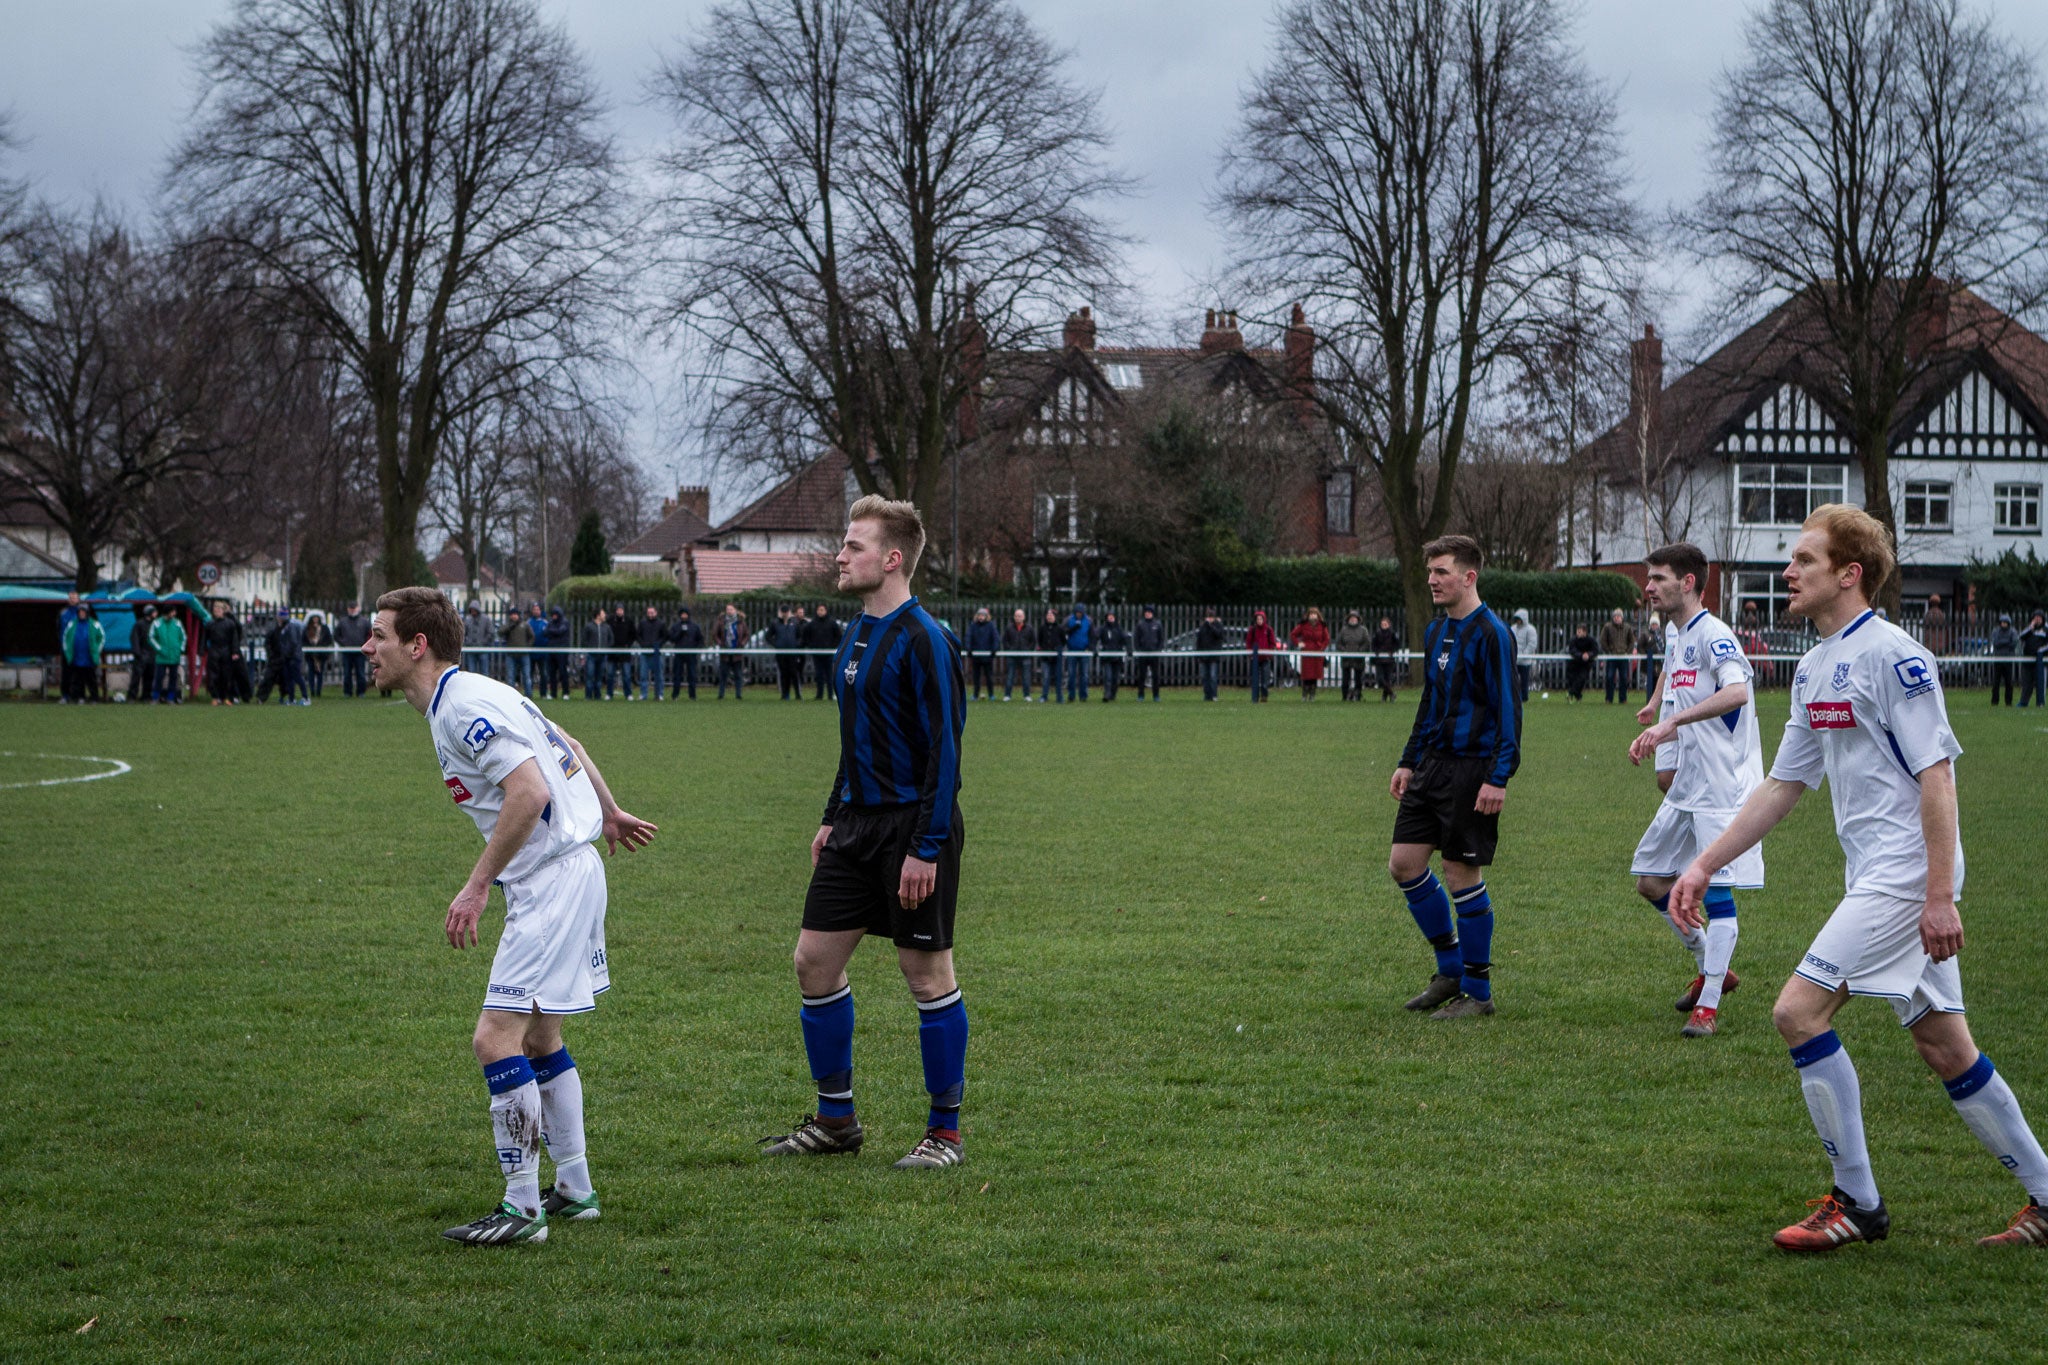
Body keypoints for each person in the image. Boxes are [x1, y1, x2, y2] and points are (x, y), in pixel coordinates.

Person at [1669, 504, 2048, 1252]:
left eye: (1803, 559)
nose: (1787, 571)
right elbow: (1782, 784)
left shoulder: (1896, 655)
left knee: (1797, 1011)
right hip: (1878, 875)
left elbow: (1937, 777)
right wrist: (1706, 861)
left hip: (1906, 877)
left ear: (1849, 573)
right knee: (1946, 1047)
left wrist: (1937, 895)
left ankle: (1858, 1203)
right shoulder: (1813, 667)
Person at [362, 586, 656, 1245]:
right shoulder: (476, 693)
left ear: (417, 645)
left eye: (377, 635)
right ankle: (575, 1189)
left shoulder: (461, 708)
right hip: (571, 870)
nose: (366, 647)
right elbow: (567, 741)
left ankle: (523, 1208)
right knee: (540, 1039)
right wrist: (606, 810)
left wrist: (476, 884)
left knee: (494, 1039)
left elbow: (530, 788)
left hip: (550, 880)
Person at [760, 495, 970, 1171]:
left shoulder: (926, 639)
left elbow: (946, 752)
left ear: (892, 558)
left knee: (925, 972)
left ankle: (945, 1134)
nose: (840, 556)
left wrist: (925, 847)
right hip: (855, 823)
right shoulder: (853, 634)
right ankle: (836, 1119)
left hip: (913, 826)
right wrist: (830, 814)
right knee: (813, 960)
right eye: (843, 545)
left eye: (853, 546)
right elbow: (853, 743)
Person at [1623, 543, 1764, 1038]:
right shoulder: (1675, 630)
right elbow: (1671, 663)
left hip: (1722, 788)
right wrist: (1656, 701)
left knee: (1717, 895)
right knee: (1651, 881)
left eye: (1658, 578)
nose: (1649, 586)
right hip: (1689, 782)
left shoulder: (1717, 636)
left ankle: (1707, 1008)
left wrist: (1674, 721)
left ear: (1687, 583)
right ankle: (1714, 967)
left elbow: (1738, 691)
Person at [1387, 534, 1520, 1020]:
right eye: (1429, 572)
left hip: (1473, 769)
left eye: (1440, 572)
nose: (1431, 580)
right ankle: (1449, 970)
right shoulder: (1435, 631)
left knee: (1460, 872)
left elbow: (1509, 711)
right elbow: (1429, 704)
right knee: (1404, 863)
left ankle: (1478, 992)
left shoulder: (1492, 633)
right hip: (1431, 766)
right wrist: (1408, 760)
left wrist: (1498, 777)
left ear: (1469, 576)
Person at [258, 609, 306, 705]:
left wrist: (288, 654)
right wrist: (270, 653)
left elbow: (293, 642)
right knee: (268, 678)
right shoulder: (273, 629)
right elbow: (267, 643)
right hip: (275, 658)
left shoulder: (289, 627)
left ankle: (286, 697)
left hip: (286, 657)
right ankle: (261, 697)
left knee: (286, 679)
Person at [203, 601, 246, 705]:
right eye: (215, 610)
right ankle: (215, 697)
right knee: (214, 676)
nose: (216, 611)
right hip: (214, 651)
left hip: (226, 651)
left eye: (219, 609)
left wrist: (235, 652)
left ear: (223, 611)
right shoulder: (210, 624)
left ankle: (226, 697)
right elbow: (204, 638)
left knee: (226, 676)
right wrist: (202, 650)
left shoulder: (230, 624)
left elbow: (234, 639)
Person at [61, 602, 104, 703]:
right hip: (76, 657)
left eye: (83, 612)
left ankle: (94, 698)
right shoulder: (72, 623)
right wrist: (68, 652)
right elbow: (65, 638)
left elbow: (101, 637)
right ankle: (80, 697)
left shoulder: (95, 624)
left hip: (89, 657)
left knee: (91, 679)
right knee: (77, 679)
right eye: (80, 612)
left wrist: (96, 650)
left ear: (87, 613)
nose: (81, 614)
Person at [1289, 608, 1330, 700]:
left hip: (1317, 653)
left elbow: (1327, 639)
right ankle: (1304, 694)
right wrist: (1298, 643)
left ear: (1318, 615)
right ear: (1308, 615)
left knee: (1315, 675)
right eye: (1311, 614)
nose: (1312, 616)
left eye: (1314, 614)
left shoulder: (1322, 626)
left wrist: (1322, 647)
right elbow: (1293, 634)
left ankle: (1312, 694)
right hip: (1306, 652)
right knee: (1306, 675)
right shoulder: (1303, 625)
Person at [805, 604, 844, 700]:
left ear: (826, 611)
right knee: (819, 675)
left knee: (829, 675)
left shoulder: (832, 623)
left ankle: (830, 695)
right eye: (819, 610)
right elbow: (806, 636)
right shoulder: (812, 624)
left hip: (829, 653)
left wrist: (832, 646)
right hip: (817, 653)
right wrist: (812, 646)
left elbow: (839, 636)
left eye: (822, 610)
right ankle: (819, 695)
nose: (820, 612)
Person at [332, 603, 371, 697]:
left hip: (359, 652)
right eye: (350, 608)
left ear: (358, 609)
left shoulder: (364, 621)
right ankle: (347, 692)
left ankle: (361, 692)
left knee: (360, 673)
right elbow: (336, 635)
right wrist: (343, 643)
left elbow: (369, 635)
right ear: (348, 609)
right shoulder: (343, 621)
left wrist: (365, 644)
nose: (352, 610)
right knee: (347, 673)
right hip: (346, 652)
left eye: (354, 608)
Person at [151, 606, 187, 703]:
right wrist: (160, 649)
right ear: (167, 613)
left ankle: (170, 698)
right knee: (159, 677)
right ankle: (155, 697)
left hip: (174, 656)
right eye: (172, 612)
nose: (174, 614)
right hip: (161, 656)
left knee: (173, 678)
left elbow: (183, 637)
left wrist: (180, 649)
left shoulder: (177, 623)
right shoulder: (157, 623)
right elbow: (151, 638)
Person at [668, 607, 705, 700]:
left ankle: (692, 695)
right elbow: (672, 639)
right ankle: (675, 695)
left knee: (692, 675)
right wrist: (680, 633)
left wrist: (697, 648)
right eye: (682, 614)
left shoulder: (695, 626)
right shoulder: (675, 626)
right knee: (677, 675)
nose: (684, 616)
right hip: (679, 653)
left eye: (685, 614)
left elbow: (700, 639)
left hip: (691, 654)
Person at [964, 607, 1000, 700]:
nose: (981, 617)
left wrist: (994, 649)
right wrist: (969, 649)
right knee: (976, 677)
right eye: (979, 615)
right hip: (976, 656)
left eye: (983, 615)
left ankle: (991, 694)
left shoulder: (991, 626)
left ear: (986, 616)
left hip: (987, 657)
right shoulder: (973, 626)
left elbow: (995, 638)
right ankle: (975, 695)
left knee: (989, 677)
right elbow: (968, 637)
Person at [715, 603, 748, 699]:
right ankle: (721, 695)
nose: (729, 611)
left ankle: (738, 694)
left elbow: (746, 634)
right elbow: (715, 634)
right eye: (727, 609)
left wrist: (742, 643)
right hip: (725, 653)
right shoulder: (721, 622)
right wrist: (720, 643)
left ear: (735, 610)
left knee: (738, 674)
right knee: (723, 675)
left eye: (731, 609)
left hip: (736, 653)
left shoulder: (741, 622)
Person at [1601, 608, 1634, 703]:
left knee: (1624, 678)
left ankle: (1623, 699)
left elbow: (1631, 641)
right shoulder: (1607, 627)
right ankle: (1609, 698)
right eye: (1615, 616)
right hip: (1612, 657)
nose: (1617, 618)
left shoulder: (1627, 628)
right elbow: (1603, 640)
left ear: (1622, 618)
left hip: (1623, 657)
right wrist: (1608, 651)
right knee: (1609, 677)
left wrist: (1628, 652)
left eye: (1619, 616)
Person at [1335, 611, 1370, 701]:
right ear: (1348, 619)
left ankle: (1358, 695)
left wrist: (1360, 651)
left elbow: (1367, 643)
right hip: (1346, 659)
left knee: (1358, 679)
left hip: (1358, 659)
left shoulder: (1363, 630)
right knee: (1345, 680)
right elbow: (1338, 643)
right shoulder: (1343, 630)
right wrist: (1344, 650)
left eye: (1355, 618)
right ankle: (1345, 696)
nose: (1353, 620)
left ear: (1358, 619)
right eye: (1351, 618)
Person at [1245, 611, 1279, 702]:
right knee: (1255, 679)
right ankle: (1255, 696)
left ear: (1264, 619)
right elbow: (1248, 642)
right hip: (1255, 658)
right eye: (1257, 619)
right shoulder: (1252, 630)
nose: (1259, 621)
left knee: (1265, 679)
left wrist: (1269, 653)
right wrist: (1250, 654)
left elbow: (1272, 643)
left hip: (1265, 658)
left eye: (1261, 619)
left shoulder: (1268, 630)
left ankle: (1264, 696)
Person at [773, 605, 806, 700]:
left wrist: (797, 644)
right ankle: (785, 695)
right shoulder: (775, 623)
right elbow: (768, 636)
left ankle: (798, 694)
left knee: (794, 673)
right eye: (783, 612)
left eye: (786, 612)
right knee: (784, 674)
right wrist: (776, 644)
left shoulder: (795, 623)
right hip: (781, 654)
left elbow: (801, 636)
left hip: (793, 653)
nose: (785, 614)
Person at [1062, 603, 1093, 702]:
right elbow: (1062, 632)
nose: (1079, 614)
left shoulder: (1088, 620)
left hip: (1084, 651)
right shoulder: (1068, 620)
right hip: (1072, 651)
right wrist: (1073, 628)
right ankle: (1071, 695)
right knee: (1071, 674)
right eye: (1077, 612)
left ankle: (1083, 695)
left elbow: (1092, 634)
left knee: (1084, 674)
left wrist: (1090, 646)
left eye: (1080, 612)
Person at [635, 606, 666, 701]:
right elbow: (638, 635)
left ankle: (660, 694)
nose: (650, 614)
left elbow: (665, 636)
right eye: (648, 613)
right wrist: (642, 644)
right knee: (643, 675)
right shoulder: (642, 623)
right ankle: (643, 694)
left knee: (659, 675)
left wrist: (658, 645)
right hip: (645, 653)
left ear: (656, 613)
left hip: (657, 654)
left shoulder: (661, 624)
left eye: (652, 612)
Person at [1133, 607, 1165, 700]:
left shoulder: (1157, 624)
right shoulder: (1140, 624)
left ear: (1152, 613)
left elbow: (1161, 639)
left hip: (1154, 654)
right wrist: (1138, 650)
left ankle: (1156, 695)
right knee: (1142, 675)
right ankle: (1141, 695)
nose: (1148, 614)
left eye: (1149, 612)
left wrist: (1158, 650)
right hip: (1143, 654)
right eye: (1146, 612)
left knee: (1155, 676)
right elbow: (1136, 639)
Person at [1195, 608, 1226, 701]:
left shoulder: (1218, 625)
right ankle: (1207, 695)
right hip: (1203, 656)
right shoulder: (1202, 627)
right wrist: (1198, 654)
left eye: (1211, 617)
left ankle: (1214, 695)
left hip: (1213, 656)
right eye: (1208, 617)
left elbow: (1219, 635)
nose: (1210, 619)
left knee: (1213, 676)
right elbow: (1199, 640)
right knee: (1204, 677)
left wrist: (1211, 626)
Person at [1097, 610, 1129, 701]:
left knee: (1115, 678)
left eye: (1112, 616)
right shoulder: (1103, 629)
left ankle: (1113, 694)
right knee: (1108, 677)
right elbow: (1096, 637)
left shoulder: (1119, 629)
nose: (1111, 618)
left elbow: (1125, 639)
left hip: (1117, 658)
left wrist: (1128, 649)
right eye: (1109, 616)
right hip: (1107, 657)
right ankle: (1107, 694)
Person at [2019, 610, 2048, 709]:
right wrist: (2030, 627)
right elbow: (2021, 637)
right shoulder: (2030, 628)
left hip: (2041, 660)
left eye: (2039, 617)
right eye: (2036, 617)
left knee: (2041, 682)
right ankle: (2024, 702)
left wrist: (2040, 651)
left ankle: (2040, 702)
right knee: (2026, 682)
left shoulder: (2046, 629)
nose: (2037, 619)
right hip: (2028, 659)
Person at [501, 609, 533, 697]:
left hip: (524, 654)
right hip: (511, 655)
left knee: (526, 676)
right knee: (510, 677)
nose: (514, 616)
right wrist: (510, 627)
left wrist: (528, 647)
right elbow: (500, 632)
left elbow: (531, 636)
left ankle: (528, 695)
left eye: (515, 614)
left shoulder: (525, 625)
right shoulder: (507, 625)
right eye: (512, 614)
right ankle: (511, 696)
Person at [1001, 609, 1032, 701]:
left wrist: (1028, 650)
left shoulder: (1029, 628)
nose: (1018, 618)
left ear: (1024, 617)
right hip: (1012, 656)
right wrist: (1009, 649)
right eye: (1016, 616)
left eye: (1020, 616)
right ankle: (1007, 695)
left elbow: (1033, 641)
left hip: (1025, 656)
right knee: (1010, 676)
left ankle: (1027, 695)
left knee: (1026, 677)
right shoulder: (1009, 628)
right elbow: (1005, 641)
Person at [1989, 614, 2019, 705]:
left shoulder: (2012, 631)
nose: (2004, 624)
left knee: (2009, 682)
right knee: (1996, 682)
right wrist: (2006, 643)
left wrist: (2003, 643)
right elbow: (1995, 643)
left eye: (2005, 623)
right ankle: (1994, 701)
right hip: (1998, 659)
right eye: (2002, 622)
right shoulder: (1996, 631)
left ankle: (2008, 702)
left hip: (2008, 659)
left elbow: (2014, 643)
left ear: (2008, 623)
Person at [1510, 609, 1538, 703]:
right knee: (1513, 679)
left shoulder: (1530, 629)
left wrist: (1524, 654)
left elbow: (1532, 644)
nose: (1518, 621)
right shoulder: (1513, 628)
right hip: (1514, 659)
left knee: (1524, 680)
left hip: (1525, 661)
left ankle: (1524, 697)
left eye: (1519, 619)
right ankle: (1514, 696)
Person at [129, 605, 156, 704]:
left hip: (152, 655)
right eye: (153, 612)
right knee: (136, 677)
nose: (155, 614)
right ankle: (132, 696)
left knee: (149, 677)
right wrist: (137, 653)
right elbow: (134, 639)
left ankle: (146, 696)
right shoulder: (139, 624)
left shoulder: (155, 625)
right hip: (141, 655)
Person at [1035, 608, 1063, 703]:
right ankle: (1044, 696)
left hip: (1056, 658)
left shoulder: (1059, 628)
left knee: (1058, 678)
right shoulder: (1042, 628)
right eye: (1048, 614)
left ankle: (1059, 697)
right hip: (1045, 657)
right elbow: (1039, 640)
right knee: (1046, 677)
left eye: (1051, 615)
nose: (1049, 616)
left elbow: (1063, 641)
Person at [463, 601, 496, 678]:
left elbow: (491, 633)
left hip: (483, 649)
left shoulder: (486, 619)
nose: (473, 612)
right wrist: (467, 642)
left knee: (484, 672)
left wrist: (484, 642)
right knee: (471, 673)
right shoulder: (467, 620)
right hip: (471, 649)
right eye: (471, 610)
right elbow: (463, 633)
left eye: (474, 610)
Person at [1371, 617, 1401, 702]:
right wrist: (1376, 651)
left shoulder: (1393, 634)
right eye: (1382, 624)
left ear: (1389, 625)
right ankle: (1391, 693)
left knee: (1387, 679)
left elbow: (1397, 644)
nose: (1384, 626)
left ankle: (1385, 697)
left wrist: (1392, 651)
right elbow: (1373, 644)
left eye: (1385, 624)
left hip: (1389, 659)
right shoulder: (1377, 633)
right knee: (1380, 679)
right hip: (1379, 659)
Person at [302, 612, 331, 699]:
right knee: (311, 673)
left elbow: (328, 639)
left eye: (316, 617)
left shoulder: (324, 628)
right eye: (313, 617)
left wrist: (321, 647)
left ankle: (318, 691)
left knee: (320, 673)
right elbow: (303, 640)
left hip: (321, 655)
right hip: (310, 655)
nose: (315, 619)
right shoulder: (307, 628)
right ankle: (312, 691)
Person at [1565, 625, 1598, 701]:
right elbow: (1572, 650)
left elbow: (1595, 650)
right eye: (1577, 631)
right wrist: (1581, 655)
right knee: (1572, 679)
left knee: (1581, 679)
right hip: (1574, 663)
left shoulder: (1591, 640)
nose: (1578, 633)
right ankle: (1578, 696)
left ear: (1585, 632)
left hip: (1586, 664)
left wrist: (1588, 655)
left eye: (1579, 631)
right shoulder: (1573, 640)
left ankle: (1571, 693)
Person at [1638, 612, 1664, 698]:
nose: (1654, 626)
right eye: (1653, 624)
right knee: (1650, 681)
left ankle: (1658, 699)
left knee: (1659, 681)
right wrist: (1645, 656)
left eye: (1656, 624)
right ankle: (1650, 698)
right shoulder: (1645, 634)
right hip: (1649, 663)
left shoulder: (1662, 635)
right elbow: (1640, 646)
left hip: (1659, 663)